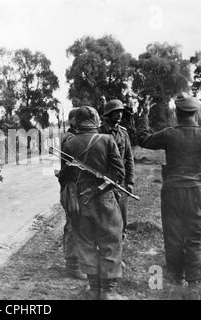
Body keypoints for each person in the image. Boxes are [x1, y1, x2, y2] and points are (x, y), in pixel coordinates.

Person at [136, 93, 201, 293]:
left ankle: (173, 278)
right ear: (196, 112)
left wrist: (144, 114)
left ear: (177, 113)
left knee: (173, 236)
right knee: (196, 236)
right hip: (197, 193)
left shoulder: (169, 134)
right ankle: (195, 284)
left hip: (172, 192)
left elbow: (143, 139)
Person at [63, 106, 126, 300]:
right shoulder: (107, 140)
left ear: (78, 122)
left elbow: (65, 177)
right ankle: (109, 291)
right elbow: (119, 174)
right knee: (110, 241)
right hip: (104, 200)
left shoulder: (69, 143)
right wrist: (98, 188)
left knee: (86, 242)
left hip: (80, 201)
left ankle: (93, 288)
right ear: (96, 120)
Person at [99, 100, 134, 238]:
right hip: (104, 179)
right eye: (116, 112)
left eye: (121, 112)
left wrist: (130, 181)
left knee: (122, 213)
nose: (119, 114)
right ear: (109, 114)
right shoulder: (99, 131)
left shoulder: (123, 133)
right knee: (105, 215)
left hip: (120, 180)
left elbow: (129, 158)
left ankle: (120, 239)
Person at [58, 108, 86, 280]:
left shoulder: (73, 137)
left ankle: (78, 262)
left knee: (79, 223)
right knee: (73, 224)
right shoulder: (70, 138)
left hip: (76, 185)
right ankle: (72, 265)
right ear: (73, 121)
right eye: (80, 120)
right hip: (72, 187)